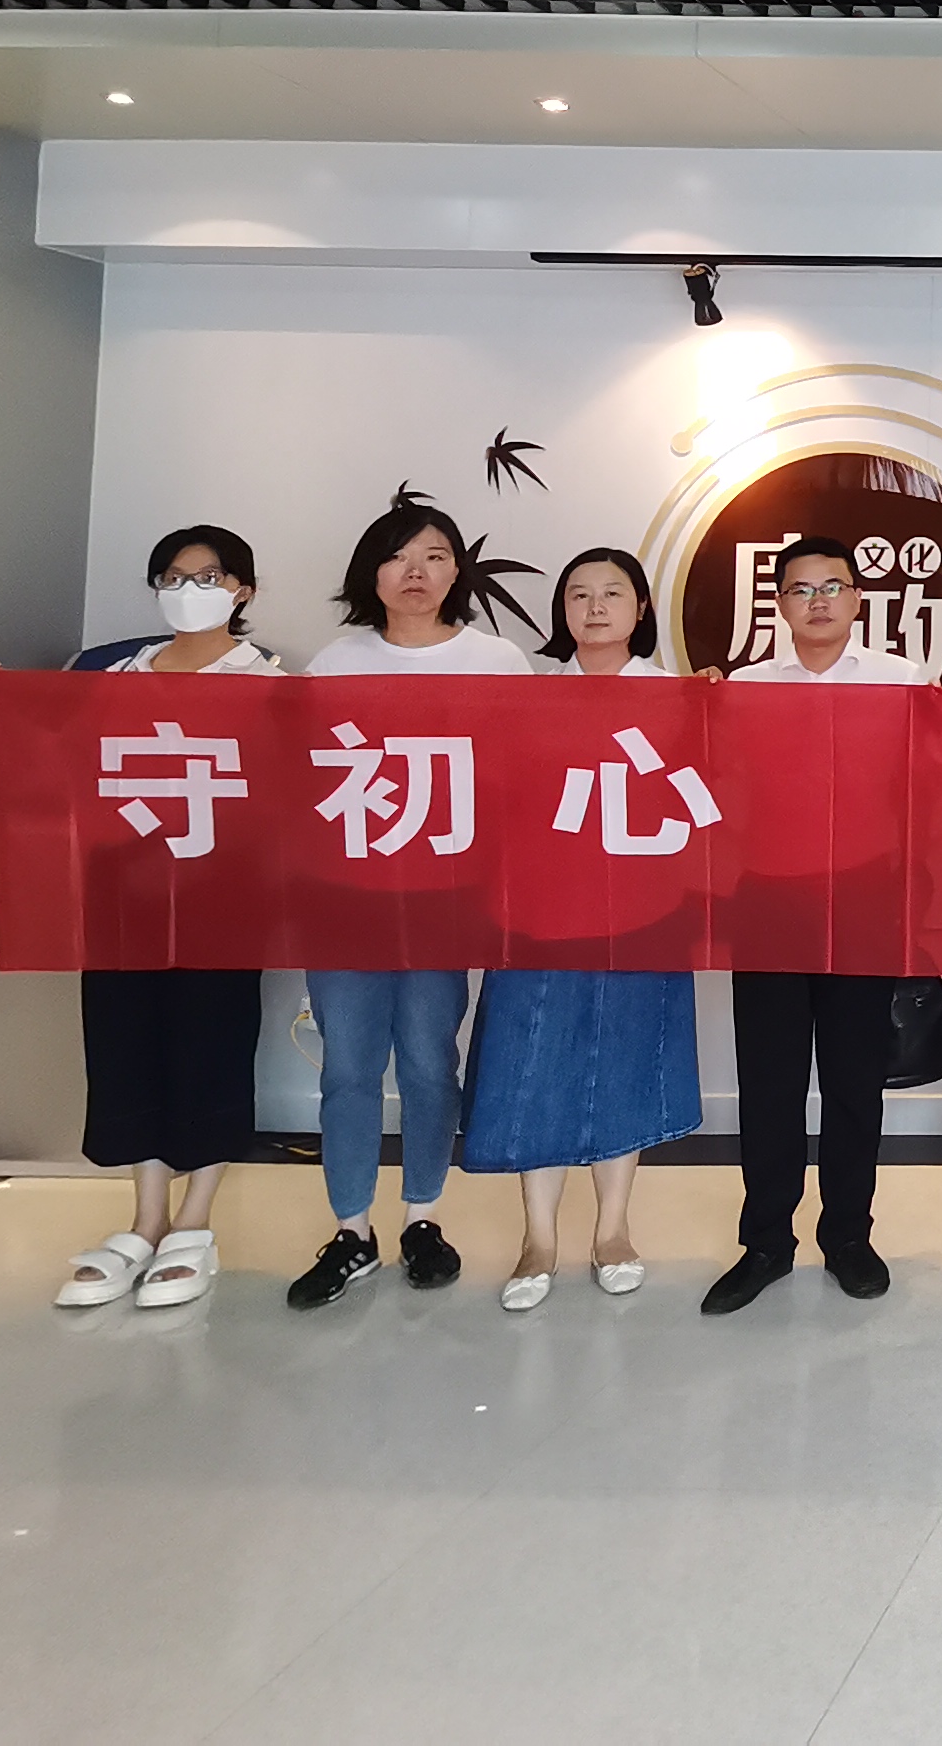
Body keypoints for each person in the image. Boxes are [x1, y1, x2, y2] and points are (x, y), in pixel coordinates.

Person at [0, 527, 281, 1312]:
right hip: (122, 893)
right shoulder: (114, 675)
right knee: (125, 1041)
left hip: (221, 897)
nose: (188, 590)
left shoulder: (271, 682)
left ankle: (195, 1220)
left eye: (208, 577)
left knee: (210, 1043)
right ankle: (146, 1216)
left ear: (242, 590)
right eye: (172, 577)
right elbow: (54, 759)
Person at [291, 499, 537, 1309]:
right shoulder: (337, 662)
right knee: (349, 1066)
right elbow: (301, 780)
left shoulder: (497, 661)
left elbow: (524, 777)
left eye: (434, 556)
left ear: (456, 569)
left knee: (432, 1061)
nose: (416, 572)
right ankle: (351, 1231)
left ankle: (423, 1218)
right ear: (372, 573)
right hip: (347, 899)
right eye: (398, 557)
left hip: (445, 899)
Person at [458, 549, 703, 1311]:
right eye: (578, 594)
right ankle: (538, 1237)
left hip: (642, 910)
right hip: (542, 911)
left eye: (612, 594)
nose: (594, 608)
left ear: (641, 609)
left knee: (625, 1060)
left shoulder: (678, 698)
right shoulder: (530, 699)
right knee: (534, 1062)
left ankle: (613, 1229)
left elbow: (703, 804)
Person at [704, 535, 923, 1316]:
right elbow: (716, 783)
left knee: (854, 1082)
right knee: (770, 1081)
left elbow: (934, 783)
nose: (818, 601)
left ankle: (848, 1237)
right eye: (801, 589)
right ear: (779, 604)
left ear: (859, 599)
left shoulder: (904, 682)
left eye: (833, 587)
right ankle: (766, 1242)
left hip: (864, 896)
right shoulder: (745, 688)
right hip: (769, 897)